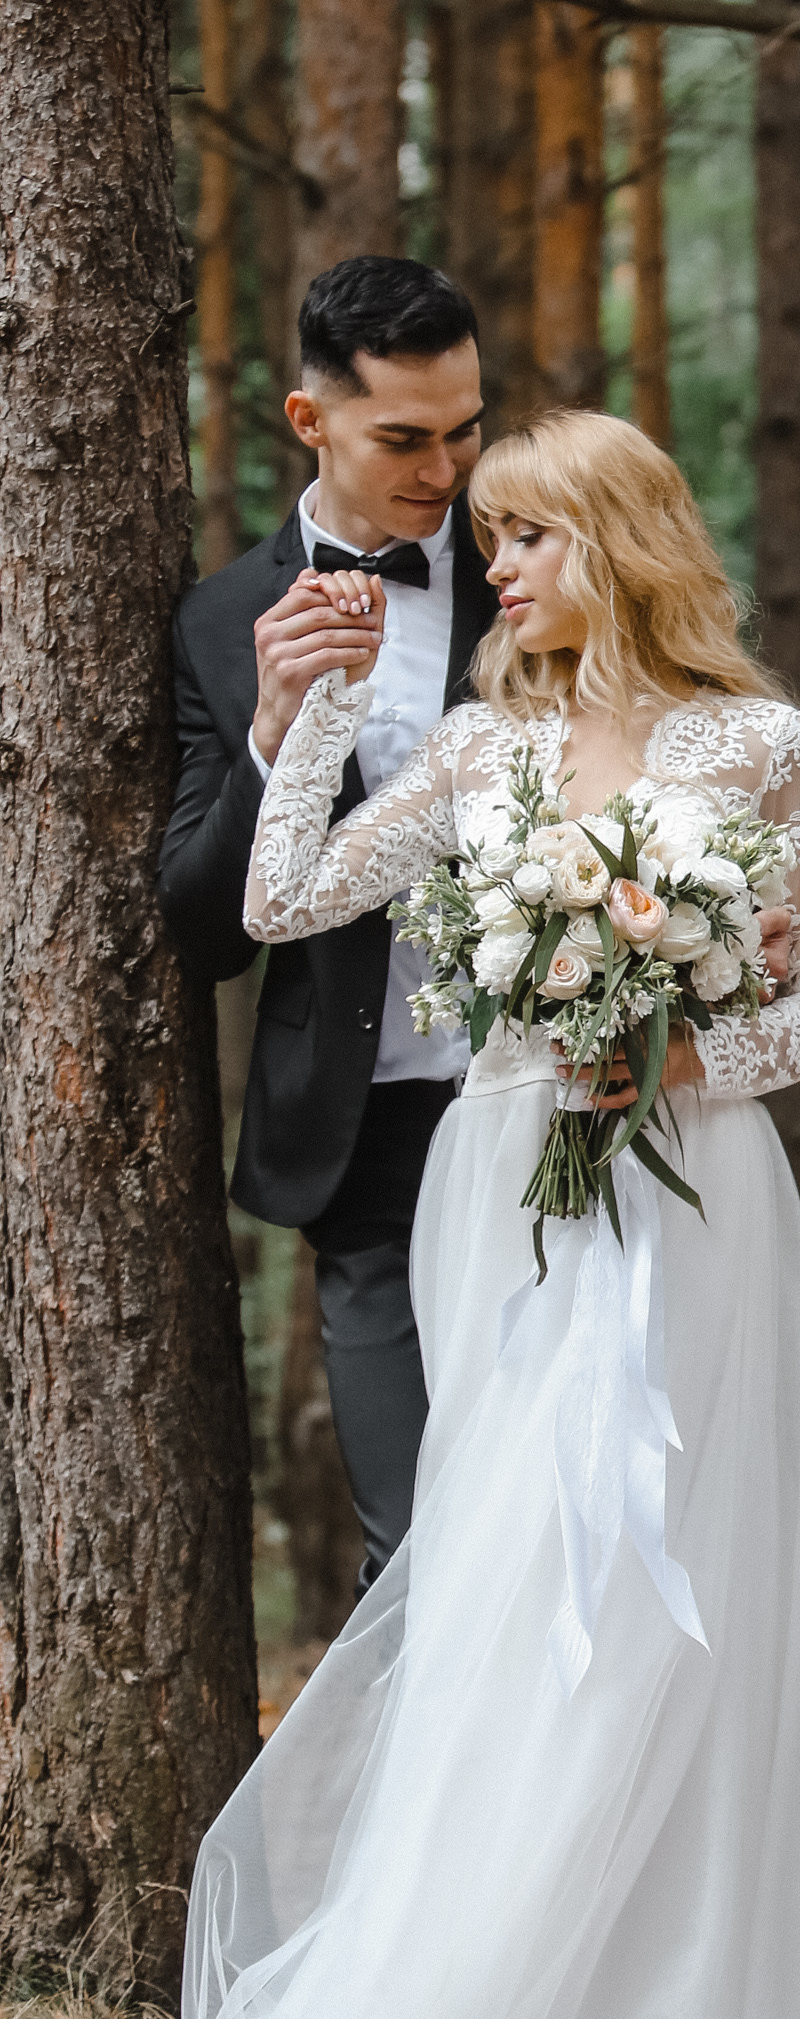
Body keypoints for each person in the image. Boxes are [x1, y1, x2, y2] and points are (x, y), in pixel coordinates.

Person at [183, 408, 800, 2019]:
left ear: (614, 543)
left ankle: (671, 2010)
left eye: (524, 537)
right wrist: (294, 731)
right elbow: (290, 901)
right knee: (522, 1556)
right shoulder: (475, 751)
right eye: (494, 537)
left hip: (696, 1198)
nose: (495, 566)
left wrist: (683, 1056)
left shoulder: (764, 746)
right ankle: (493, 1993)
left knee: (699, 1564)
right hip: (511, 1194)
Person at [161, 258, 498, 1587]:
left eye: (465, 428)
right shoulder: (223, 618)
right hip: (363, 1147)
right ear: (312, 422)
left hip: (557, 1112)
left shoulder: (529, 573)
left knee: (568, 1518)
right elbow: (202, 934)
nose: (445, 467)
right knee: (414, 1548)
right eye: (403, 439)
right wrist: (264, 741)